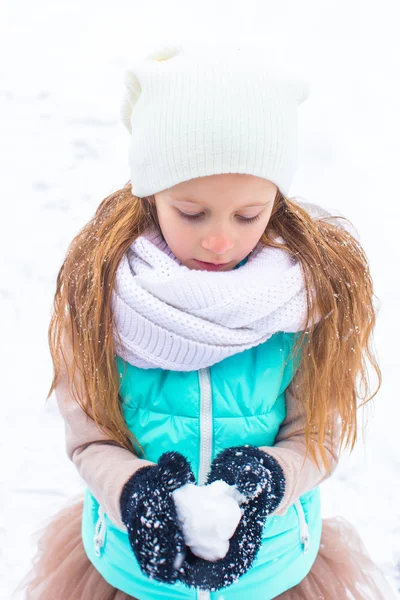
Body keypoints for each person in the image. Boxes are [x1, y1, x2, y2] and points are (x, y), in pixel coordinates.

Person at [14, 41, 397, 599]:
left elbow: (317, 434)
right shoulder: (104, 294)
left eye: (249, 215)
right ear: (151, 195)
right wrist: (132, 491)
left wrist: (270, 481)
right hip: (130, 570)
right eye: (190, 213)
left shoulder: (305, 299)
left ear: (277, 202)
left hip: (271, 571)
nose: (220, 240)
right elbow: (88, 439)